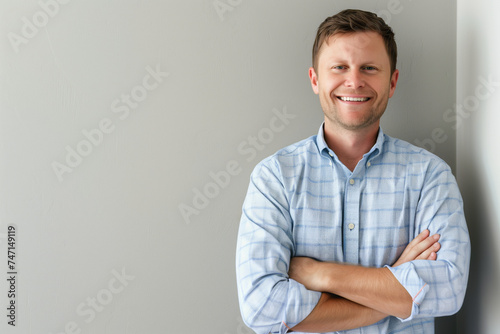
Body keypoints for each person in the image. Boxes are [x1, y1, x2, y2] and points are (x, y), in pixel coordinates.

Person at [235, 8, 470, 334]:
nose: (354, 81)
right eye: (339, 67)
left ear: (393, 81)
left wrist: (322, 275)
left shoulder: (430, 176)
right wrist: (395, 282)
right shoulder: (275, 177)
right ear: (315, 80)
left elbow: (449, 291)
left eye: (369, 68)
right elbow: (262, 308)